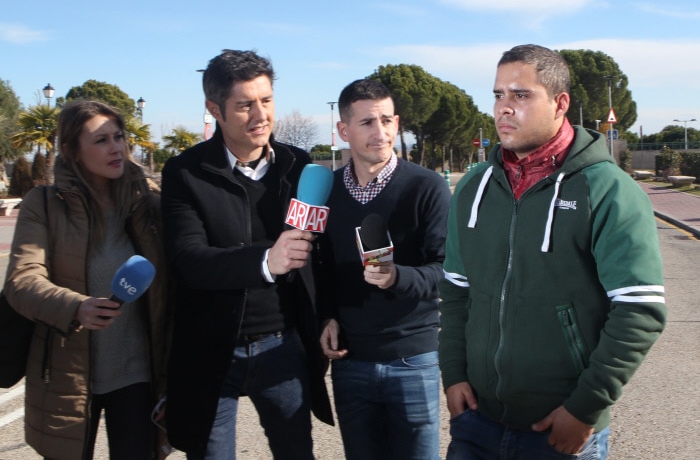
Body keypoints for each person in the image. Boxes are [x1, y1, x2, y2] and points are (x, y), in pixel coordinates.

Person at [438, 44, 666, 459]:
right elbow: (456, 292)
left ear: (560, 103)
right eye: (498, 95)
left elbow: (639, 310)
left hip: (562, 429)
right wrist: (453, 374)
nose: (504, 108)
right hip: (476, 423)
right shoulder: (473, 187)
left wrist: (585, 408)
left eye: (520, 95)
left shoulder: (608, 190)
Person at [160, 49, 333, 460]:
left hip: (284, 347)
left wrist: (328, 316)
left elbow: (322, 257)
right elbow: (188, 260)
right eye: (245, 105)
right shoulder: (183, 172)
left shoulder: (299, 165)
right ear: (214, 108)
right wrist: (265, 261)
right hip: (212, 350)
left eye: (267, 100)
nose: (261, 115)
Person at [4, 100, 171, 460]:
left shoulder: (149, 202)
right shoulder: (44, 204)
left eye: (119, 137)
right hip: (68, 376)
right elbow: (22, 279)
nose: (116, 148)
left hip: (138, 375)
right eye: (100, 140)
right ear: (72, 150)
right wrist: (76, 306)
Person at [318, 78, 451, 460]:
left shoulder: (426, 187)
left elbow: (446, 270)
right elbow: (321, 267)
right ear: (343, 130)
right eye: (367, 123)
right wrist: (325, 315)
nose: (381, 132)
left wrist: (398, 277)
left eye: (388, 121)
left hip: (414, 358)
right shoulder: (325, 192)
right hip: (351, 362)